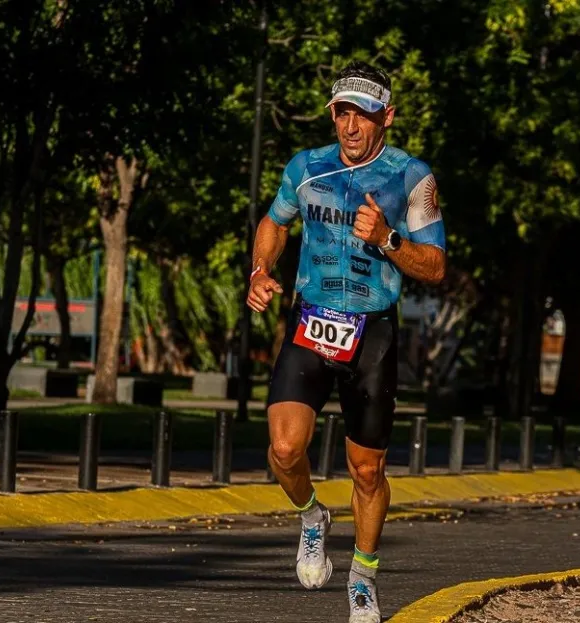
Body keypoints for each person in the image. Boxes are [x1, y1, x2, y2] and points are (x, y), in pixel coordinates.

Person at [245, 61, 446, 623]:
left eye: (363, 115)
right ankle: (313, 517)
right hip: (312, 321)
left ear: (387, 116)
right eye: (342, 113)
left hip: (373, 332)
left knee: (367, 471)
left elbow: (435, 267)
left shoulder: (413, 178)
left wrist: (388, 239)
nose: (350, 126)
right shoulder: (306, 167)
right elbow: (275, 222)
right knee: (285, 450)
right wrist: (260, 269)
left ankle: (362, 578)